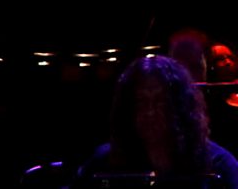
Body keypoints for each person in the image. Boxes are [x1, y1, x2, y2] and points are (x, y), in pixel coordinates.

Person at [71, 55, 238, 189]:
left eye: (161, 101)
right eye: (141, 102)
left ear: (180, 106)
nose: (150, 112)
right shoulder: (102, 163)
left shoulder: (218, 164)